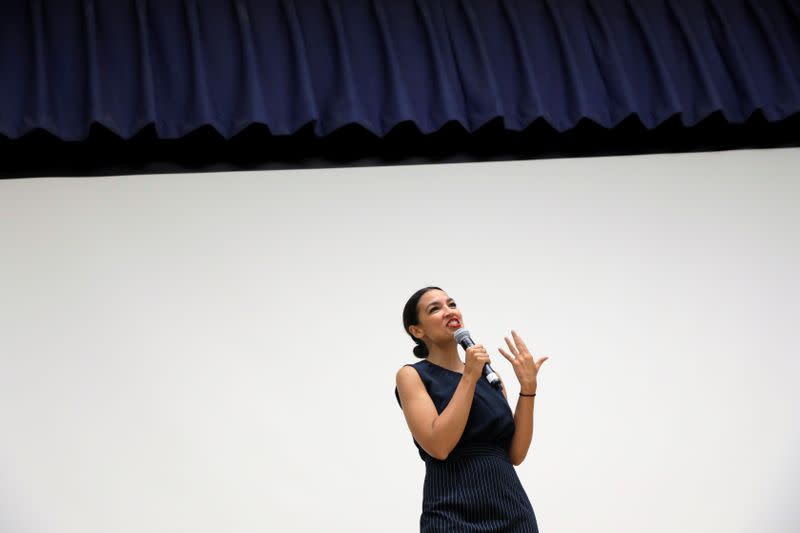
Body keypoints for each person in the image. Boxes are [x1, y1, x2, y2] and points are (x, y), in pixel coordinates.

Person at [394, 286, 548, 532]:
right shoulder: (412, 375)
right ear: (417, 330)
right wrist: (468, 376)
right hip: (452, 510)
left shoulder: (489, 376)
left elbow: (515, 454)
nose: (448, 311)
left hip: (512, 511)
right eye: (435, 309)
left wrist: (528, 389)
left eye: (451, 304)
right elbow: (439, 446)